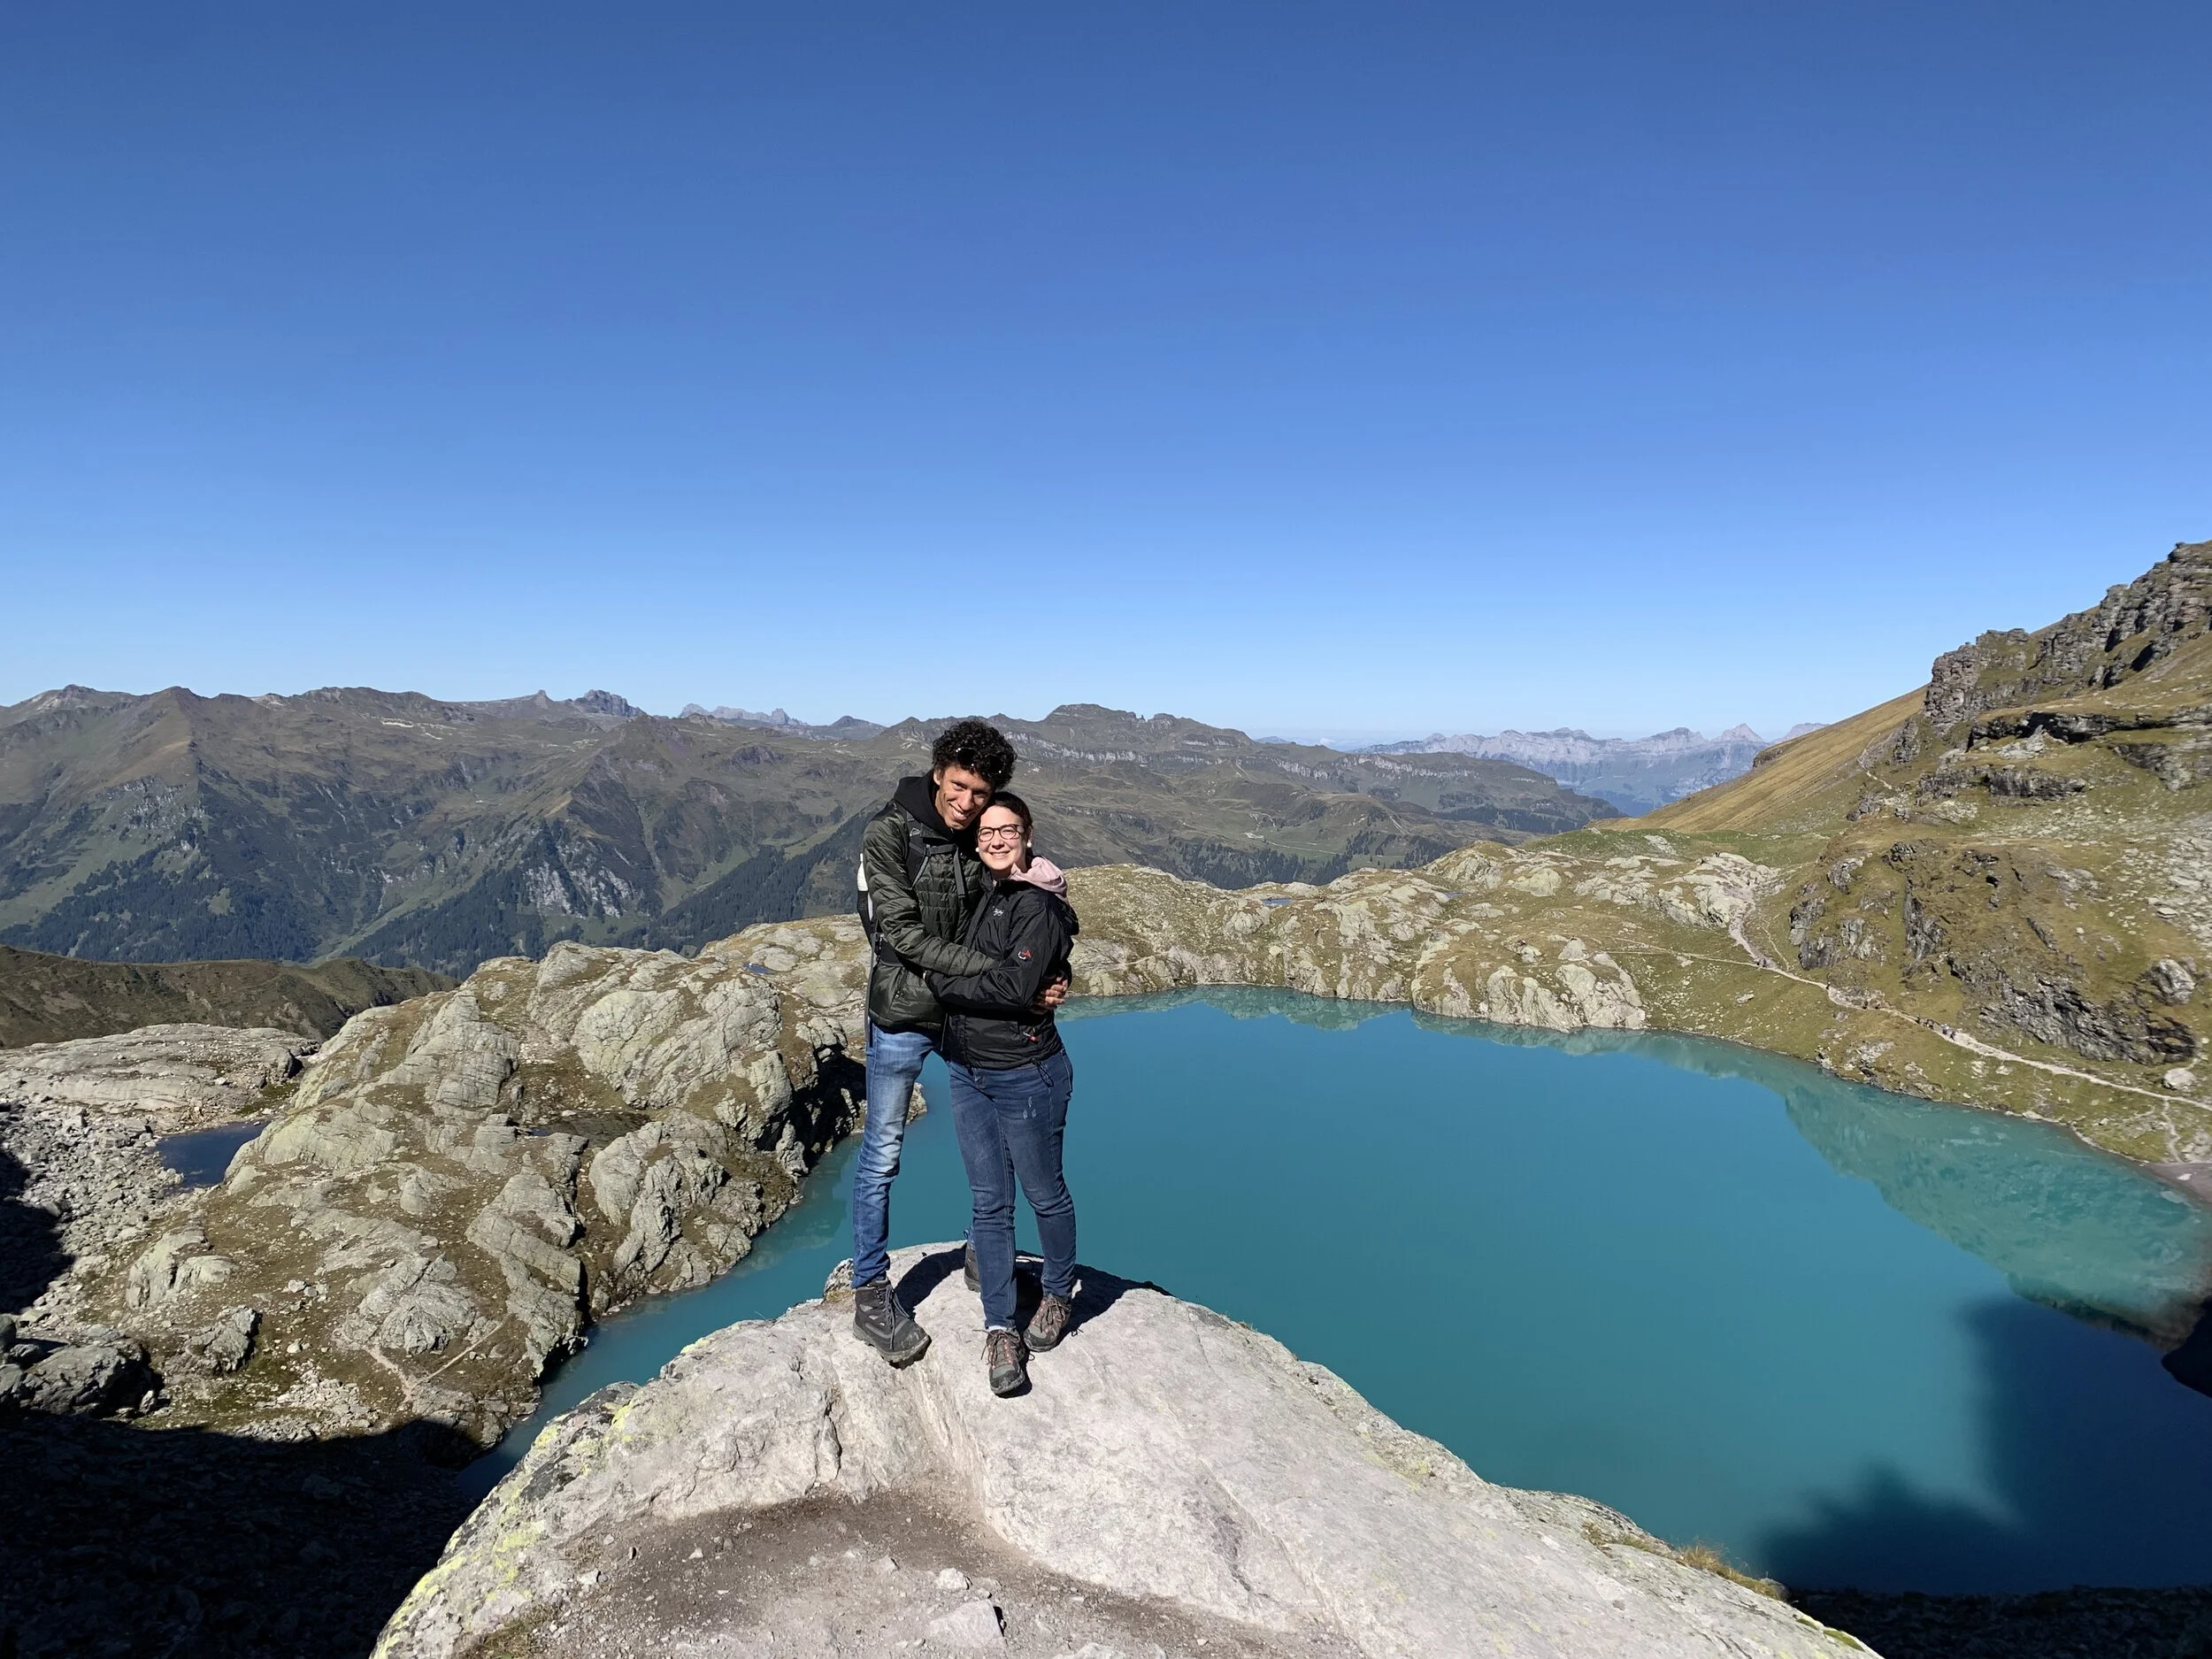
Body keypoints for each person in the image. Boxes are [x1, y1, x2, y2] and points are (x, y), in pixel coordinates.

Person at [849, 718, 1064, 1364]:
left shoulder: (982, 831)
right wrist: (1007, 980)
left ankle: (984, 1252)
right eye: (961, 785)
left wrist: (1053, 971)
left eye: (981, 791)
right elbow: (904, 937)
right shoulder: (887, 833)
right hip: (905, 1014)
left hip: (972, 1020)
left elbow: (1025, 893)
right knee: (883, 1150)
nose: (969, 802)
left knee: (993, 1144)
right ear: (939, 770)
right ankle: (869, 1291)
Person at [928, 791, 1080, 1398]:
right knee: (990, 1203)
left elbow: (1019, 988)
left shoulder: (1038, 905)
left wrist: (943, 979)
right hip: (968, 1070)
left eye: (1007, 830)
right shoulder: (977, 891)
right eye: (987, 831)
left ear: (1027, 834)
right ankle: (999, 1326)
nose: (994, 839)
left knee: (1045, 1194)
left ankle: (1058, 1290)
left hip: (1027, 1072)